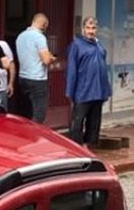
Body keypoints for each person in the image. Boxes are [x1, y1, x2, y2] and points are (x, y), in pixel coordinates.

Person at [65, 17, 112, 146]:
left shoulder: (99, 45)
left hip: (98, 91)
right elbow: (71, 69)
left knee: (94, 122)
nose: (91, 31)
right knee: (77, 122)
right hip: (83, 91)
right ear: (83, 29)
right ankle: (76, 148)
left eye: (93, 28)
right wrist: (70, 91)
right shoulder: (76, 46)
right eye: (88, 28)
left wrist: (106, 89)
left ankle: (91, 147)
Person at [15, 13, 56, 123]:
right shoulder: (39, 37)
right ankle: (35, 135)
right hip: (37, 79)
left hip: (23, 77)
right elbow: (46, 60)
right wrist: (52, 58)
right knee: (39, 112)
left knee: (26, 112)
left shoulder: (21, 36)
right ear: (44, 25)